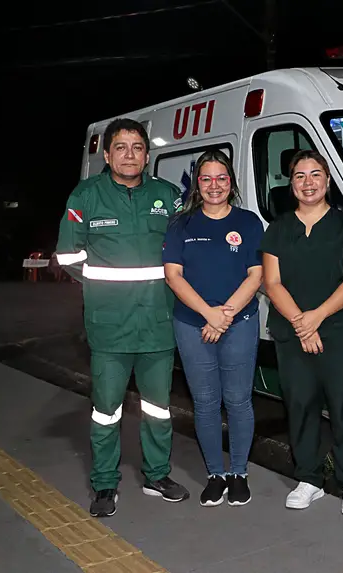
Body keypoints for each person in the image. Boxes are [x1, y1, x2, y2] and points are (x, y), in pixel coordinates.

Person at [55, 118, 189, 518]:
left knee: (158, 408)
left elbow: (185, 251)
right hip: (110, 327)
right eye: (121, 147)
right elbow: (68, 255)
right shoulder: (85, 196)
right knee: (106, 410)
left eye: (137, 147)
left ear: (147, 155)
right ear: (107, 154)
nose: (129, 155)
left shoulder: (168, 196)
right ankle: (104, 484)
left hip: (158, 324)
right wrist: (102, 286)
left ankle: (157, 475)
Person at [260, 149, 343, 515]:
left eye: (315, 175)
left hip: (339, 330)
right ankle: (309, 478)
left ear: (327, 180)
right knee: (301, 404)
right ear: (291, 184)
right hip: (292, 332)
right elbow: (272, 284)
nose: (308, 183)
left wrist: (317, 317)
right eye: (300, 176)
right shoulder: (278, 229)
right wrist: (301, 324)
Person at [163, 150, 263, 507]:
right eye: (206, 179)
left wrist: (225, 316)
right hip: (193, 324)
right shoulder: (181, 225)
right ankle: (215, 474)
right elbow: (173, 276)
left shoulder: (249, 222)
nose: (214, 185)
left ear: (231, 182)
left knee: (238, 401)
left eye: (221, 178)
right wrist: (209, 314)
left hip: (240, 324)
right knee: (205, 403)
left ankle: (239, 473)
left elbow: (256, 275)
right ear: (197, 184)